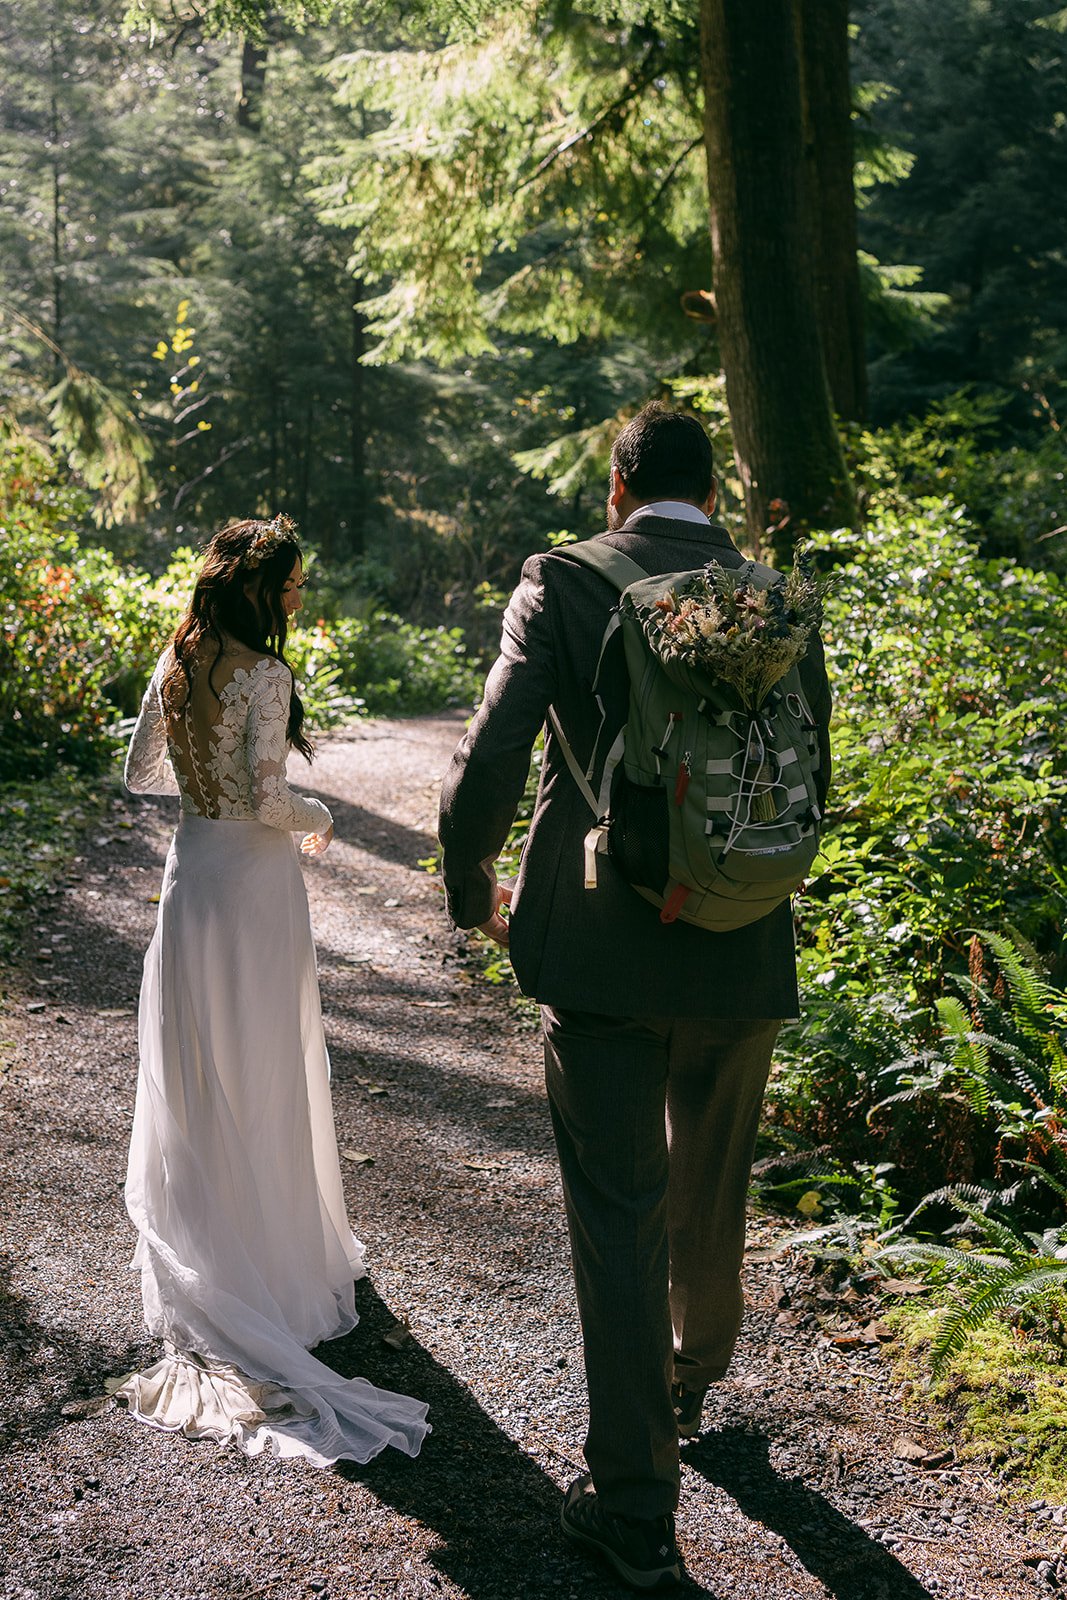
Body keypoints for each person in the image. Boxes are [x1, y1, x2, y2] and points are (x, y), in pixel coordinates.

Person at [437, 406, 831, 1588]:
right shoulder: (771, 597)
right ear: (711, 494)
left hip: (603, 948)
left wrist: (469, 885)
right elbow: (817, 765)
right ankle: (692, 1376)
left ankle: (633, 1506)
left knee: (619, 1210)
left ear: (618, 489)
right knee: (708, 1180)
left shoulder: (563, 581)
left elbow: (494, 753)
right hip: (745, 939)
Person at [120, 514, 429, 1467]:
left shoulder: (177, 662)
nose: (299, 598)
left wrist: (202, 780)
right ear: (261, 588)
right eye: (293, 584)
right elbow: (265, 799)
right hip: (253, 884)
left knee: (202, 1060)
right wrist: (319, 809)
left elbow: (139, 775)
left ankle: (211, 1239)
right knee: (260, 1061)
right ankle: (272, 1268)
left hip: (192, 877)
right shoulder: (263, 673)